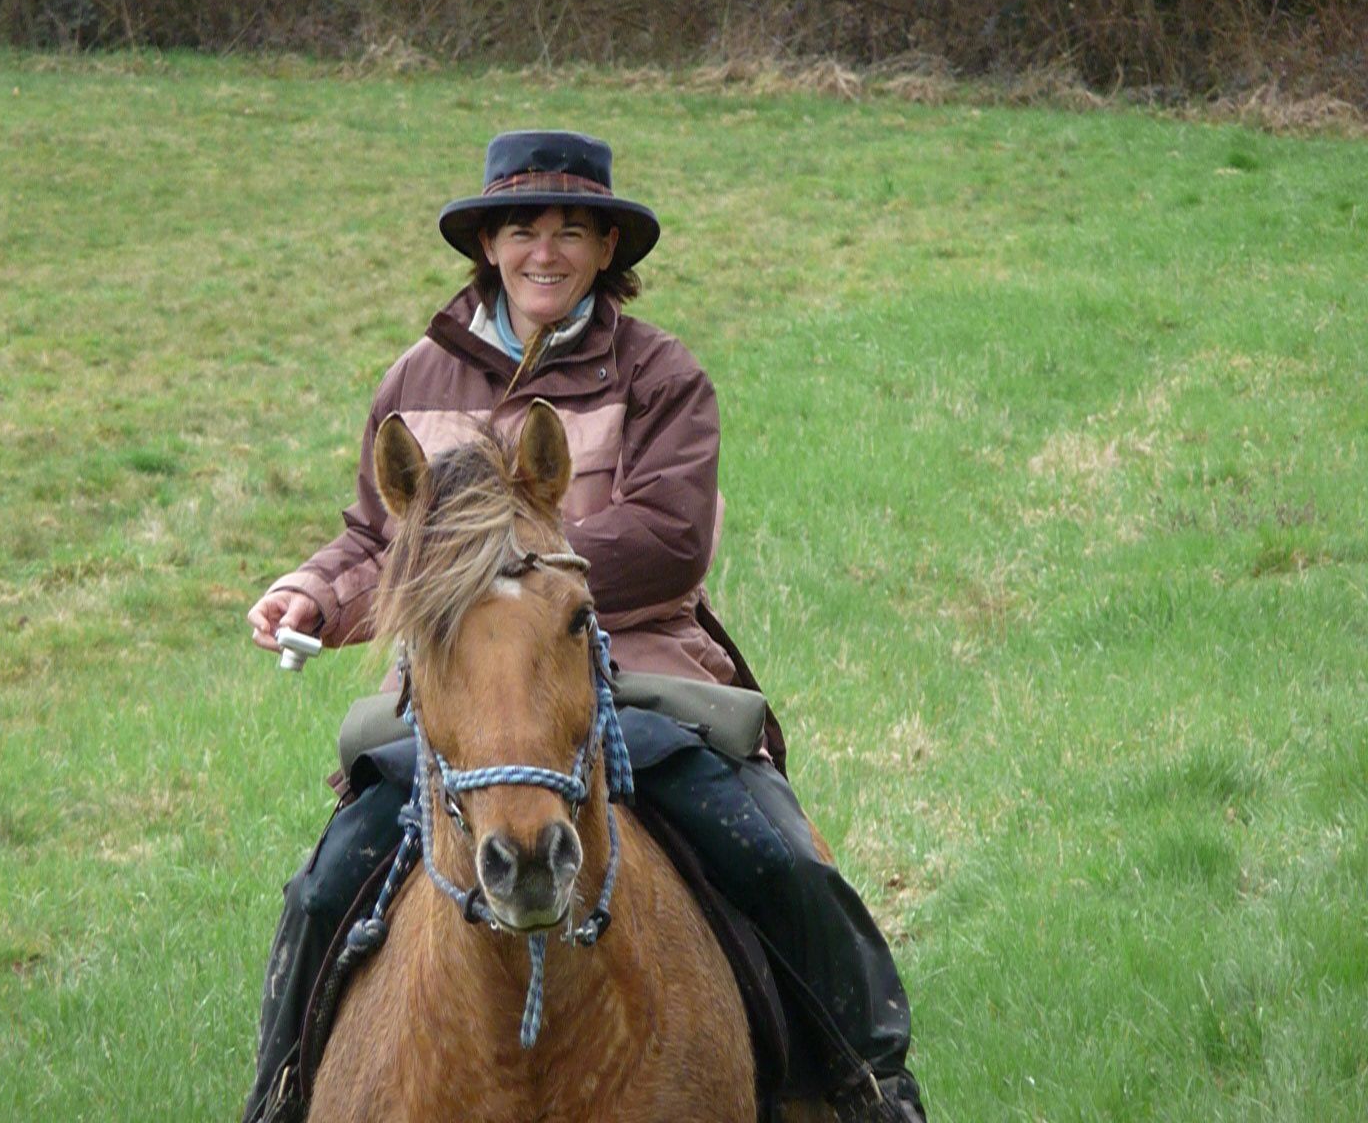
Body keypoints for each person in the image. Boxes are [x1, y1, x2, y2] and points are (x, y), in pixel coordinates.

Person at [243, 130, 926, 1122]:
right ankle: (279, 1096)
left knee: (778, 856)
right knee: (321, 889)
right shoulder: (413, 383)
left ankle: (869, 1087)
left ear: (607, 250)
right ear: (488, 246)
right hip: (456, 694)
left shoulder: (660, 375)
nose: (545, 251)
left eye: (572, 231)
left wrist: (512, 572)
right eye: (523, 229)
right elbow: (372, 537)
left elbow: (670, 537)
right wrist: (313, 592)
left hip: (634, 670)